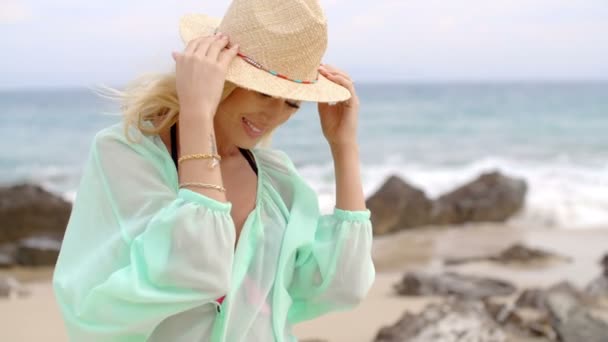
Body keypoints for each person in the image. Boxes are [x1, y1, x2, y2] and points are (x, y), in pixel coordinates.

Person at [52, 0, 375, 341]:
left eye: (292, 102)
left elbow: (345, 285)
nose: (275, 115)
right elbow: (195, 270)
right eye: (265, 92)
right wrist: (196, 113)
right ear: (222, 75)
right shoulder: (124, 156)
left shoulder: (277, 180)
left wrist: (344, 147)